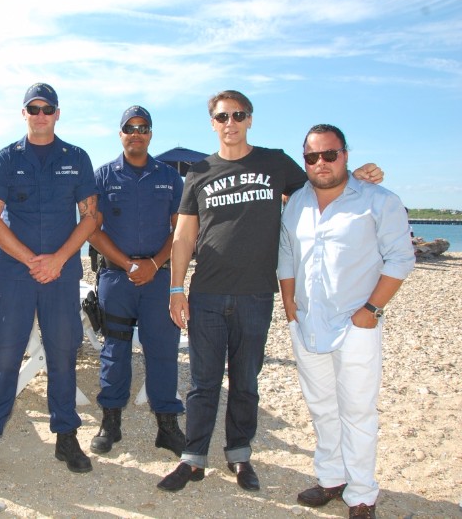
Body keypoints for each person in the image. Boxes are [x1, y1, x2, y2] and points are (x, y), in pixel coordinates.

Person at [159, 90, 384, 493]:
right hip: (207, 293)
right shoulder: (198, 172)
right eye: (223, 116)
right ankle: (193, 459)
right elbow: (183, 233)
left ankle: (240, 455)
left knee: (246, 381)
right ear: (213, 122)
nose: (231, 122)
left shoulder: (274, 162)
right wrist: (177, 287)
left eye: (238, 115)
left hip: (256, 294)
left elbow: (320, 184)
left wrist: (357, 175)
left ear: (250, 119)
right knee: (202, 383)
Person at [278, 124, 414, 519]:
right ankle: (331, 478)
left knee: (357, 411)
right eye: (312, 157)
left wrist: (371, 311)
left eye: (329, 154)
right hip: (307, 323)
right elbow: (287, 256)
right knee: (321, 406)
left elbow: (401, 257)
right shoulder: (296, 204)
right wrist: (290, 309)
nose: (321, 163)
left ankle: (361, 494)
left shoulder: (378, 200)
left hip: (357, 326)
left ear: (345, 154)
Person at [0, 82, 98, 477]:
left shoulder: (76, 158)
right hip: (15, 273)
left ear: (58, 113)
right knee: (4, 354)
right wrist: (30, 260)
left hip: (61, 273)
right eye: (33, 108)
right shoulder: (6, 159)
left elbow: (91, 216)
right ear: (23, 113)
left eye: (48, 109)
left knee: (63, 352)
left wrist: (58, 259)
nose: (40, 115)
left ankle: (65, 436)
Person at [87, 105, 185, 457]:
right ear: (120, 134)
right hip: (117, 278)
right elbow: (92, 231)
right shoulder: (102, 177)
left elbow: (182, 230)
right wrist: (129, 265)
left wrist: (156, 263)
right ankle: (110, 422)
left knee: (162, 351)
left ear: (151, 134)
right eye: (130, 127)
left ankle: (167, 425)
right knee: (115, 351)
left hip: (159, 279)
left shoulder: (170, 177)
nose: (136, 133)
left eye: (143, 127)